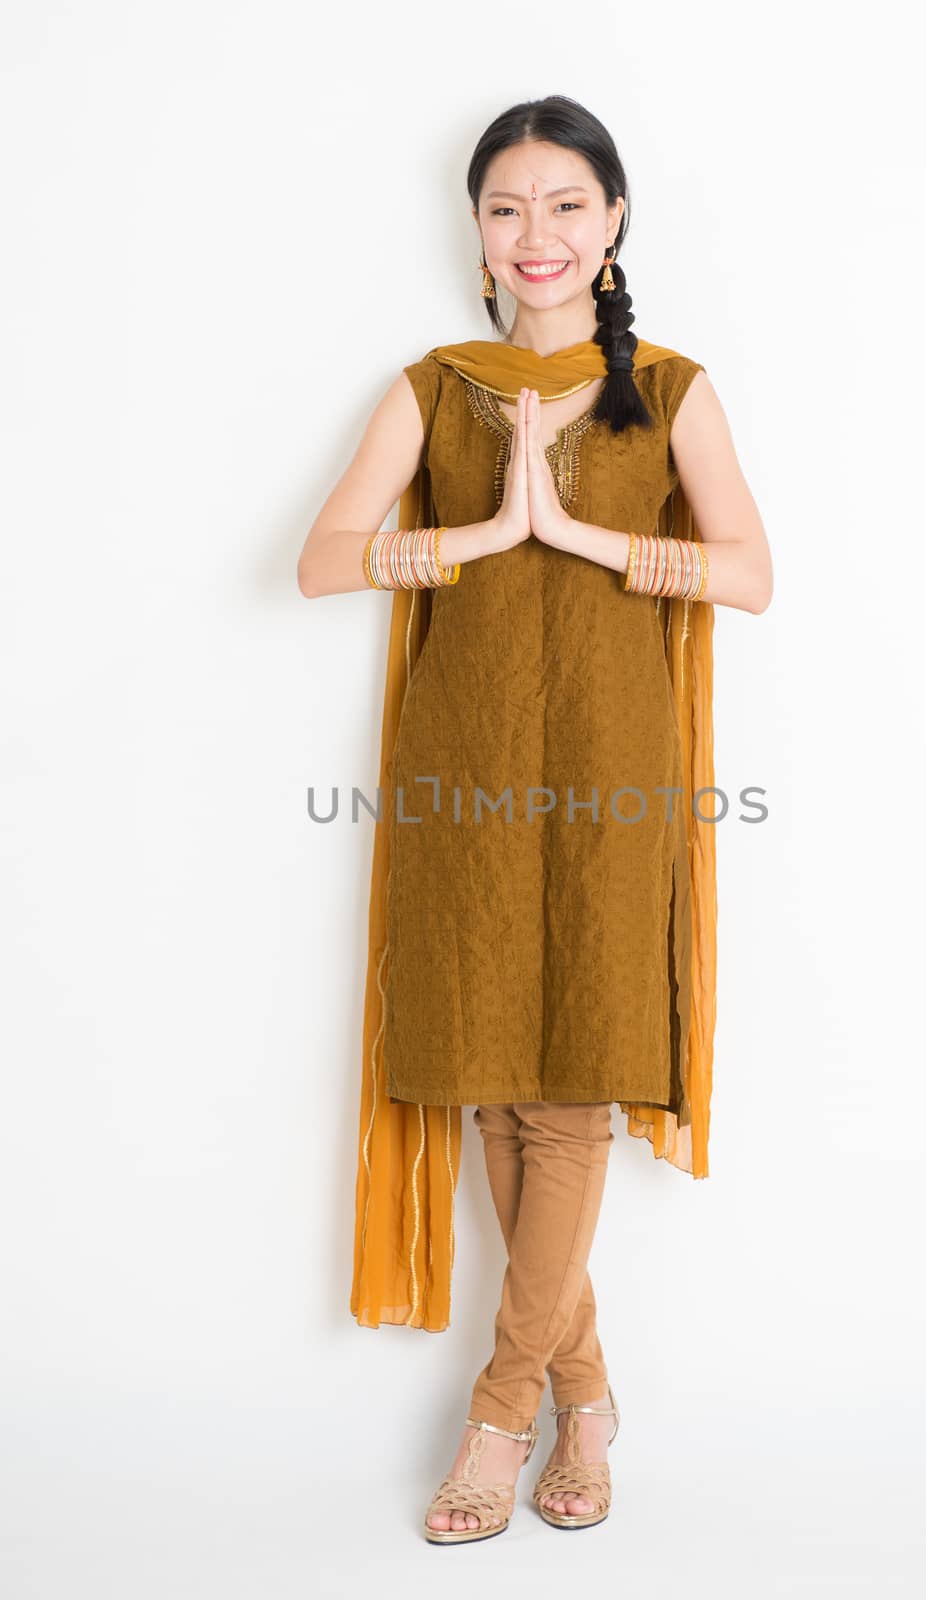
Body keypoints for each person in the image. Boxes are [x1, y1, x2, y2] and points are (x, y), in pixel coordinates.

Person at [298, 94, 772, 1544]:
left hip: (618, 779)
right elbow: (324, 560)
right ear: (478, 230)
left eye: (567, 204)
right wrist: (492, 534)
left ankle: (503, 1413)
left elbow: (750, 573)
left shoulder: (673, 388)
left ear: (615, 220)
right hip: (467, 772)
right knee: (501, 1080)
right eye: (509, 207)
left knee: (567, 1090)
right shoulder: (437, 386)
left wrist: (583, 538)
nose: (537, 235)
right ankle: (591, 1397)